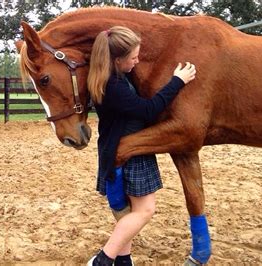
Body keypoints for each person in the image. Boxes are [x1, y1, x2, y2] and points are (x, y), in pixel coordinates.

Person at [87, 26, 196, 266]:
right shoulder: (114, 87)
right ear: (117, 60)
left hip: (114, 149)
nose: (137, 61)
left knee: (125, 213)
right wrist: (177, 81)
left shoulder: (104, 77)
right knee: (144, 211)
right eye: (133, 57)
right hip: (132, 152)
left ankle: (123, 261)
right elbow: (148, 110)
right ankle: (103, 260)